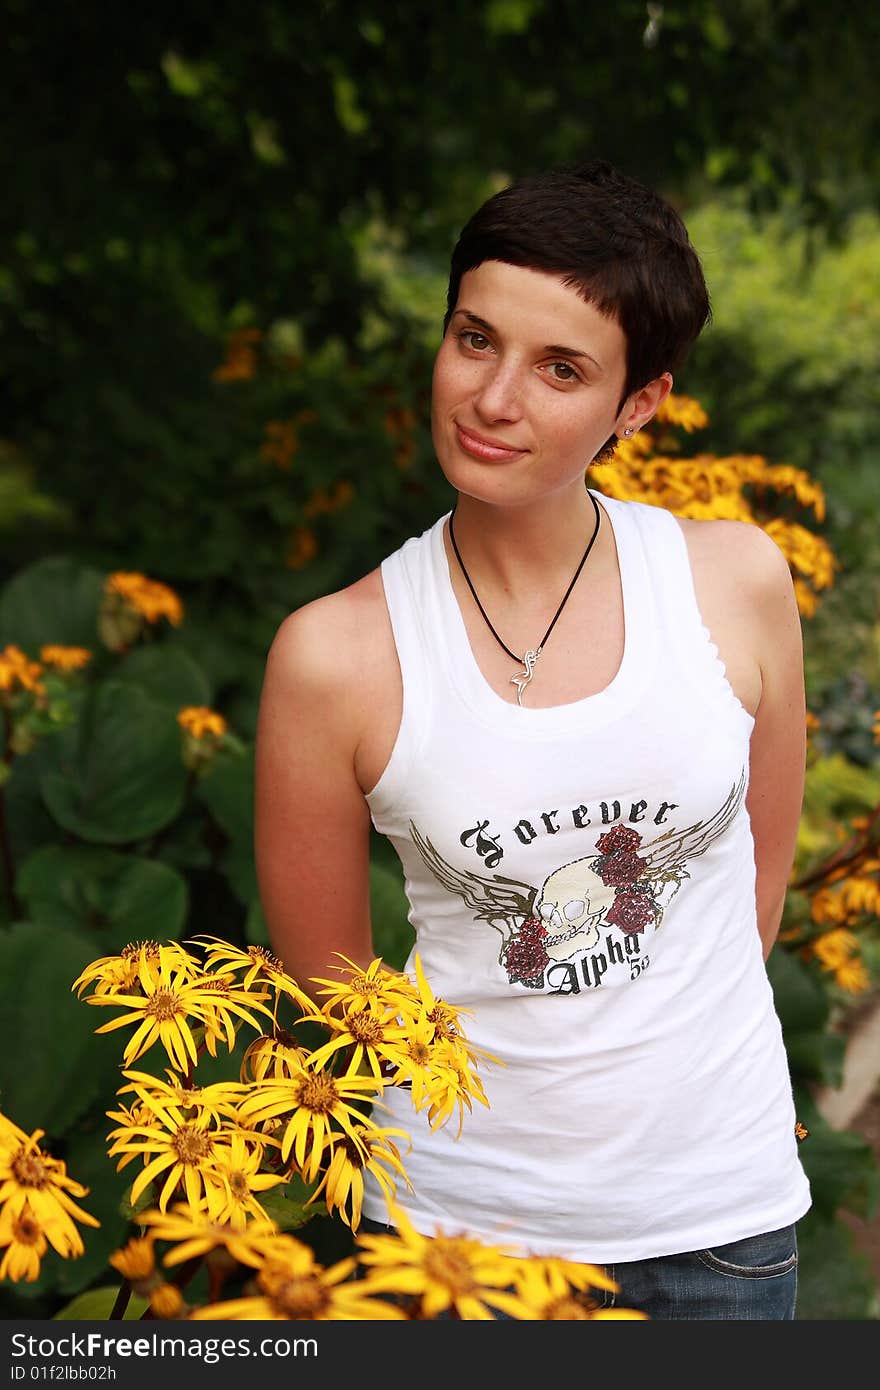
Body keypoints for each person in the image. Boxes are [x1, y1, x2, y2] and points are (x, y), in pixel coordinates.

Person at [253, 159, 811, 1320]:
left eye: (561, 369)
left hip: (720, 1228)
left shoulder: (736, 583)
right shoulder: (334, 656)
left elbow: (755, 876)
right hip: (452, 1239)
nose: (493, 398)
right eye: (473, 339)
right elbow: (338, 998)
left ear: (639, 404)